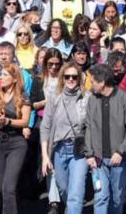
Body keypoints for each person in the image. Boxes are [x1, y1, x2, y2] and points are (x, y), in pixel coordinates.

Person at [84, 62, 126, 214]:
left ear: (102, 82)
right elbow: (88, 126)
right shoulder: (92, 100)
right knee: (100, 197)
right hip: (98, 160)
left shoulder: (124, 99)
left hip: (119, 160)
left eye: (92, 81)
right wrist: (89, 153)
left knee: (117, 198)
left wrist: (120, 151)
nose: (90, 85)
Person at [40, 62, 88, 214]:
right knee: (63, 188)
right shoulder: (55, 98)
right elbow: (45, 127)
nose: (71, 79)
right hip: (59, 149)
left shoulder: (87, 98)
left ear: (79, 78)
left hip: (79, 150)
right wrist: (45, 156)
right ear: (62, 78)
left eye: (74, 76)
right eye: (67, 76)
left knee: (76, 193)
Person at [0, 64, 31, 214]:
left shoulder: (23, 96)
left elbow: (25, 121)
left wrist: (8, 122)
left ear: (14, 78)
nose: (0, 78)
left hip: (16, 143)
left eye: (5, 75)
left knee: (8, 188)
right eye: (0, 75)